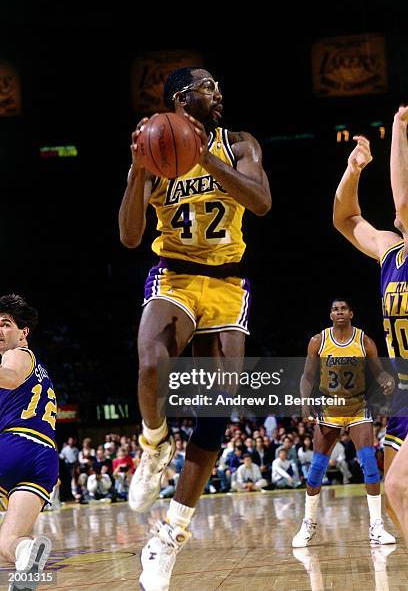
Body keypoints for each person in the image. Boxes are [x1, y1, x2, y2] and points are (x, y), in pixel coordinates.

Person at [119, 66, 271, 590]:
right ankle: (154, 442)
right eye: (209, 87)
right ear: (182, 99)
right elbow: (130, 236)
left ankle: (170, 537)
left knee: (215, 411)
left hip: (228, 281)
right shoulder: (154, 146)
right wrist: (140, 171)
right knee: (150, 361)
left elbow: (261, 202)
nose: (219, 93)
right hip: (175, 275)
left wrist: (203, 155)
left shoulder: (239, 142)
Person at [332, 113, 408, 541]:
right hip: (402, 393)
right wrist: (353, 169)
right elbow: (345, 219)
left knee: (398, 488)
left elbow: (401, 204)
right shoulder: (390, 252)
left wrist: (398, 128)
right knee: (394, 494)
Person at [292, 299, 395, 548]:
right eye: (335, 309)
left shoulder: (364, 341)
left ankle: (376, 526)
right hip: (329, 410)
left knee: (370, 466)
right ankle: (308, 524)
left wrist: (386, 380)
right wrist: (304, 403)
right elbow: (307, 377)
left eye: (343, 309)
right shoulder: (319, 341)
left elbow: (378, 371)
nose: (340, 312)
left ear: (351, 313)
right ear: (331, 315)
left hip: (358, 408)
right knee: (317, 469)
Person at [0, 294, 58, 590]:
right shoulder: (39, 371)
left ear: (23, 333)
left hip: (14, 446)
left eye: (5, 324)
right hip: (43, 458)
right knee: (9, 541)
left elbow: (8, 377)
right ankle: (28, 554)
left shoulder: (18, 354)